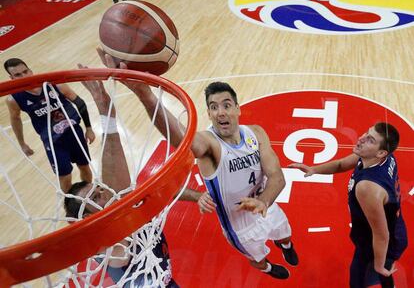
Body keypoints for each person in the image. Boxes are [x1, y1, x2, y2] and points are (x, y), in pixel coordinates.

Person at [96, 49, 299, 279]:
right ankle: (269, 268)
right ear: (209, 114)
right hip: (240, 229)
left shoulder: (256, 133)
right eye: (214, 107)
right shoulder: (209, 144)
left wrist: (263, 202)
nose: (220, 112)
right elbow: (181, 138)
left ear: (237, 108)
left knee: (284, 233)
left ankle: (286, 245)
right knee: (258, 259)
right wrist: (146, 95)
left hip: (268, 207)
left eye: (226, 104)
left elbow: (277, 177)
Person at [64, 65, 202, 287]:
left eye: (98, 189)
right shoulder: (106, 242)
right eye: (95, 198)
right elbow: (117, 191)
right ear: (86, 218)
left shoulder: (129, 209)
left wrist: (196, 197)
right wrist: (105, 111)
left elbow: (160, 193)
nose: (103, 192)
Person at [289, 122, 408, 288]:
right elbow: (341, 164)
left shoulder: (367, 188)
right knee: (381, 270)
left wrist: (379, 265)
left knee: (362, 278)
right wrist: (313, 170)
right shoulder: (379, 157)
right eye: (366, 132)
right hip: (390, 228)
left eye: (370, 140)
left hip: (381, 241)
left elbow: (381, 235)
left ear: (381, 152)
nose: (361, 139)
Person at [4, 58, 95, 192]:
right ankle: (70, 206)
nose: (24, 76)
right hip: (53, 142)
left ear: (30, 70)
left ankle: (89, 197)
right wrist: (22, 143)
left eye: (25, 72)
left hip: (74, 133)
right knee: (65, 177)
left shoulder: (54, 84)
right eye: (18, 75)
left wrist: (88, 128)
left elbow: (79, 103)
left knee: (84, 166)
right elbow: (15, 119)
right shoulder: (13, 99)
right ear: (11, 78)